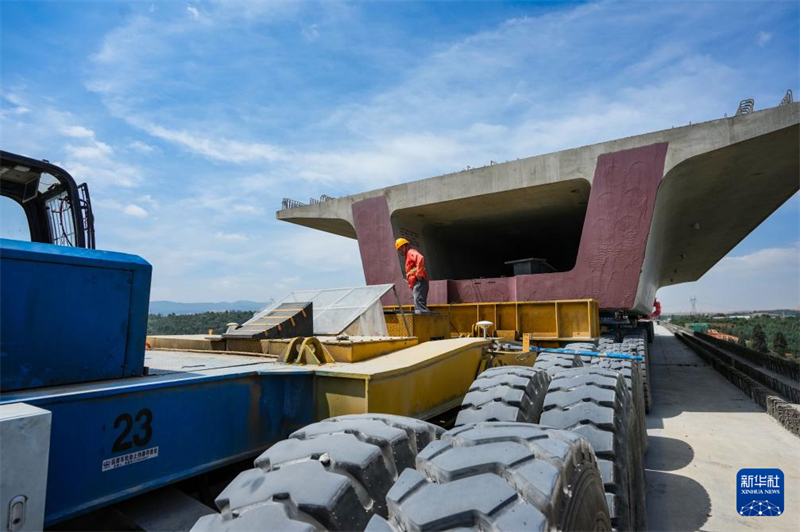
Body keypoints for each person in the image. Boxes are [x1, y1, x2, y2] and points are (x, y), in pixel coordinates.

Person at [395, 238, 430, 314]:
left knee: (419, 304)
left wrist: (419, 274)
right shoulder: (408, 256)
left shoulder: (411, 252)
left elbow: (420, 258)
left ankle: (425, 320)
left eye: (401, 248)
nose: (401, 251)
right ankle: (423, 321)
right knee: (418, 304)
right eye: (399, 249)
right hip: (417, 284)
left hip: (419, 282)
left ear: (406, 246)